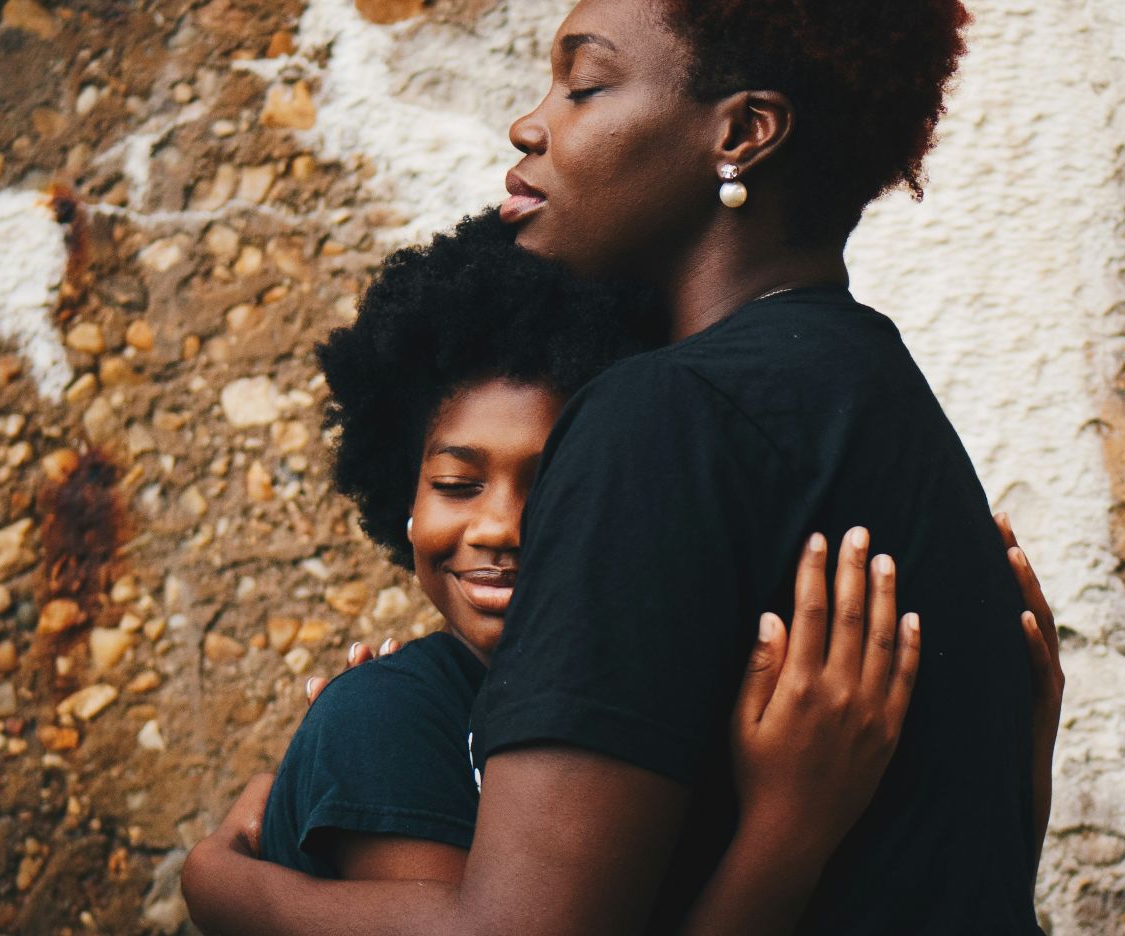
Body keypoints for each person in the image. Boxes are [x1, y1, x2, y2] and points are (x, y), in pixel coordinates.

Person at [182, 0, 1061, 931]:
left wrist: (233, 889)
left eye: (585, 86)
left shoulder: (662, 418)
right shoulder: (881, 405)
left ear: (741, 134)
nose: (531, 125)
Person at [257, 213, 934, 933]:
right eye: (457, 485)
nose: (499, 528)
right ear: (404, 502)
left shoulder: (682, 701)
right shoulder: (386, 719)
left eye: (556, 485)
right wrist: (788, 830)